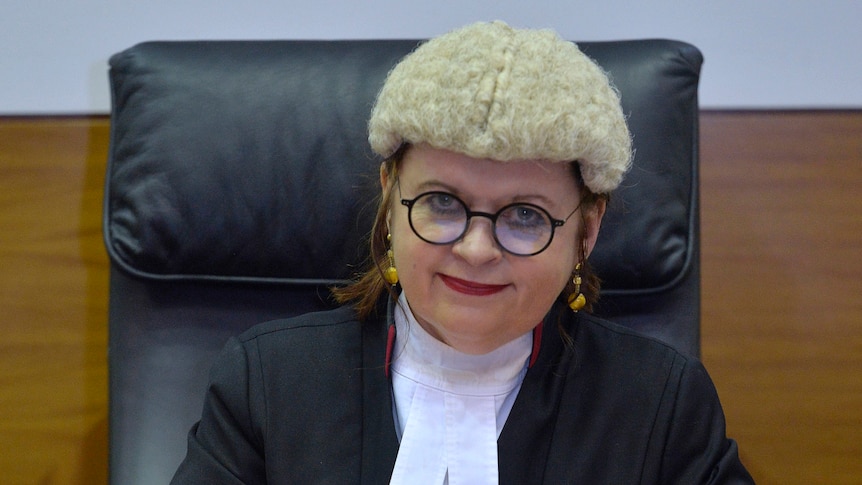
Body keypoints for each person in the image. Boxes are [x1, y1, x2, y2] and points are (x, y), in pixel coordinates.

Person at [171, 21, 753, 484]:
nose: (476, 250)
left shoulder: (662, 405)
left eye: (525, 216)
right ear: (391, 200)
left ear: (587, 230)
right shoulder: (267, 384)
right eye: (443, 204)